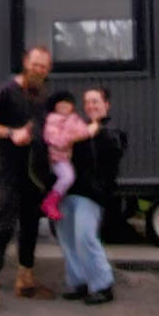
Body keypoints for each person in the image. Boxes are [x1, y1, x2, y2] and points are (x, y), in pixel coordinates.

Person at [0, 46, 58, 314]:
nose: (39, 70)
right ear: (25, 63)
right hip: (10, 175)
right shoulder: (5, 91)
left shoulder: (44, 96)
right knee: (2, 229)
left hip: (36, 176)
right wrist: (11, 133)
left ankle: (25, 282)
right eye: (36, 64)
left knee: (30, 227)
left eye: (44, 66)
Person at [54, 85, 127, 306]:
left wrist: (97, 130)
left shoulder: (113, 131)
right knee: (68, 239)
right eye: (87, 102)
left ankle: (103, 285)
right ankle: (78, 282)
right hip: (68, 193)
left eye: (95, 101)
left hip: (92, 195)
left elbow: (114, 149)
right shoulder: (79, 128)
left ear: (106, 104)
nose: (91, 106)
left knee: (85, 237)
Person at [41, 91, 99, 222]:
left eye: (67, 104)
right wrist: (79, 135)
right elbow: (57, 141)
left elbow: (83, 130)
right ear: (55, 107)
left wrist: (90, 128)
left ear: (72, 106)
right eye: (60, 105)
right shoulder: (52, 120)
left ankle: (56, 203)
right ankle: (50, 202)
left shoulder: (74, 118)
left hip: (65, 157)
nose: (64, 107)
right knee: (67, 177)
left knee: (68, 178)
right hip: (55, 158)